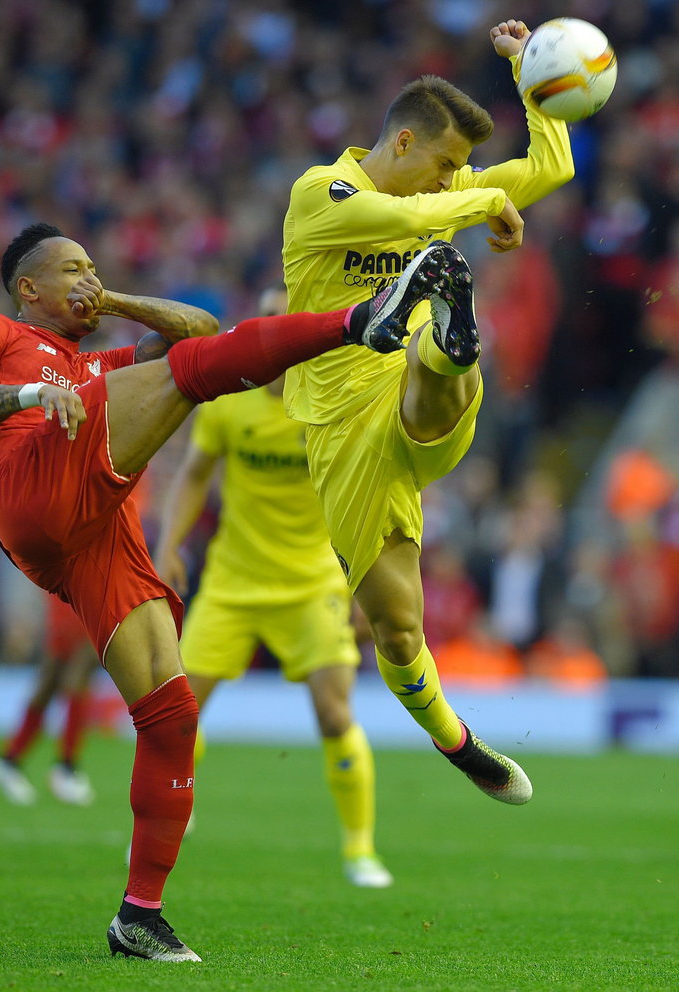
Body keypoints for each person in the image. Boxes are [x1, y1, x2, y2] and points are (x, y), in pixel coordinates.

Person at [0, 222, 451, 963]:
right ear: (29, 289)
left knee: (173, 717)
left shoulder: (95, 362)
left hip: (90, 535)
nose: (89, 276)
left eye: (96, 266)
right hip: (28, 487)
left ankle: (139, 916)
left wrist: (110, 297)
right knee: (192, 374)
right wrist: (27, 395)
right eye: (74, 269)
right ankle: (356, 322)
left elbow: (198, 328)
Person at [281, 20, 575, 802]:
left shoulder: (444, 189)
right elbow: (402, 220)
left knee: (427, 360)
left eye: (461, 169)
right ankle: (462, 746)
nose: (452, 179)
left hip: (413, 395)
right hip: (341, 428)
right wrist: (482, 203)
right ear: (402, 142)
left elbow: (555, 163)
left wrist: (530, 73)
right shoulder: (320, 193)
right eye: (445, 163)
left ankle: (446, 327)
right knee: (397, 629)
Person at [155, 287, 393, 890]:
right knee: (179, 716)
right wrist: (168, 546)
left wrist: (369, 582)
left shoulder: (331, 402)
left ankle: (360, 849)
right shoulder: (227, 401)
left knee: (334, 711)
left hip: (311, 582)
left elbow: (374, 490)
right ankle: (174, 814)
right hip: (233, 581)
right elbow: (194, 476)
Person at [0, 592, 100, 806]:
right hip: (81, 591)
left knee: (52, 679)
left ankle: (10, 759)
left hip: (70, 590)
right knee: (79, 669)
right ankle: (66, 767)